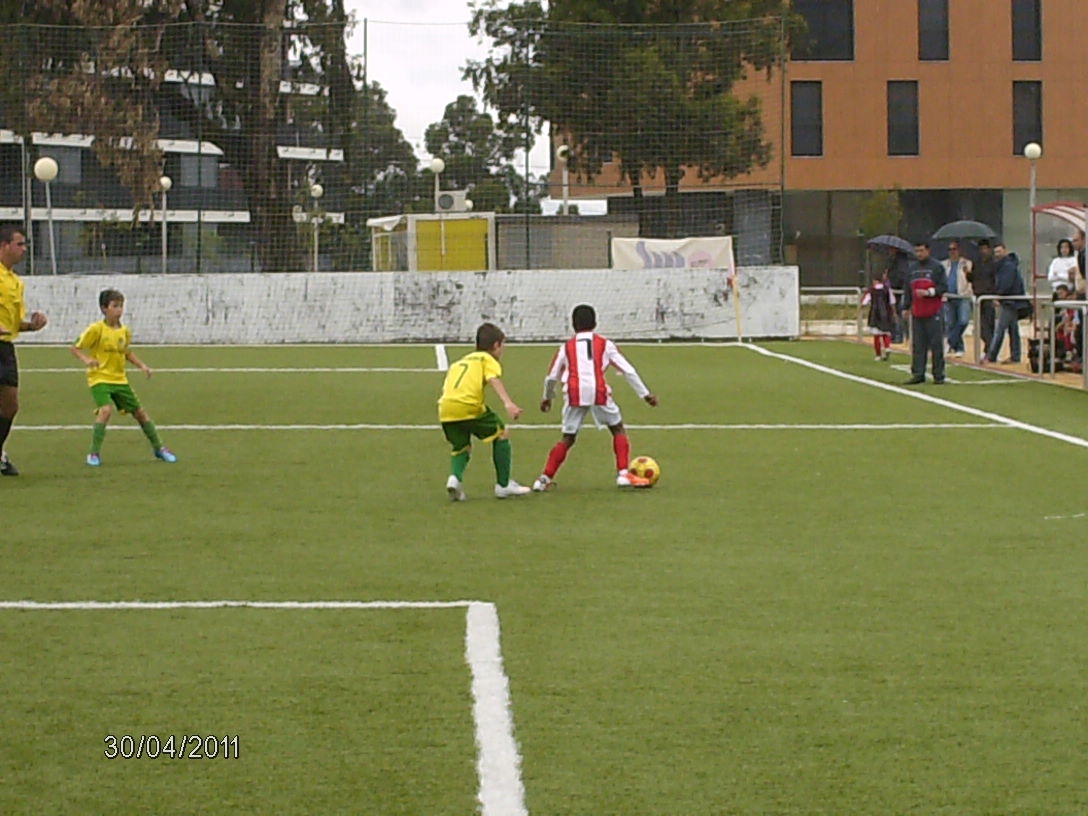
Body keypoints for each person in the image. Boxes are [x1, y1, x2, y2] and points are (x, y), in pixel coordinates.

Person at [531, 304, 658, 491]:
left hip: (574, 392)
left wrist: (547, 397)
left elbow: (552, 376)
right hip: (598, 391)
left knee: (568, 437)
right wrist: (645, 394)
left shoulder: (566, 347)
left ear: (573, 325)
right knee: (617, 428)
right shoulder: (605, 344)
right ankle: (623, 474)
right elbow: (628, 370)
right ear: (595, 323)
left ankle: (543, 480)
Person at [70, 289, 177, 466]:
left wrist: (142, 366)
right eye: (115, 306)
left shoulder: (125, 331)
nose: (119, 310)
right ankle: (94, 453)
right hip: (100, 378)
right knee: (105, 410)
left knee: (140, 413)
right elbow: (75, 348)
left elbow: (126, 352)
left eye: (121, 306)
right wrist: (87, 360)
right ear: (104, 308)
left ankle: (159, 448)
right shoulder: (96, 329)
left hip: (120, 380)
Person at [437, 322, 530, 501]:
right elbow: (493, 379)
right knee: (502, 432)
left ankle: (454, 478)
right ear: (496, 345)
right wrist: (508, 403)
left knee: (461, 446)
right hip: (468, 405)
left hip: (446, 408)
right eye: (502, 345)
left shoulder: (459, 362)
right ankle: (503, 485)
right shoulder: (487, 359)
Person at [0, 225, 48, 476]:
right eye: (19, 244)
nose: (24, 249)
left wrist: (32, 325)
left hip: (5, 348)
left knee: (10, 405)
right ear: (4, 246)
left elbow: (13, 323)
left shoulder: (16, 282)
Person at [900, 241, 948, 384]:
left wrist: (929, 292)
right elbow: (908, 289)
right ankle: (918, 374)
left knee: (936, 345)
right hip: (918, 312)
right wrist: (906, 307)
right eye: (917, 251)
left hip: (934, 312)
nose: (919, 254)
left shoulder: (937, 267)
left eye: (921, 251)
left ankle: (938, 375)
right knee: (918, 345)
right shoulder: (912, 269)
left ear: (928, 250)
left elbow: (943, 287)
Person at [981, 242, 1024, 365]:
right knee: (1013, 329)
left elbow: (1006, 284)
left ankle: (991, 356)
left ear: (1005, 251)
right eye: (995, 252)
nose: (997, 254)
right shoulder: (1003, 265)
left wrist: (998, 296)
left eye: (999, 251)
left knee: (1000, 329)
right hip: (1011, 301)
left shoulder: (1007, 266)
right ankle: (1015, 356)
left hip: (1009, 301)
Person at [941, 241, 973, 358]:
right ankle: (958, 347)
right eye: (950, 249)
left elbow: (971, 279)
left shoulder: (967, 263)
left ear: (959, 250)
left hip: (962, 296)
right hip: (948, 296)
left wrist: (967, 273)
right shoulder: (944, 264)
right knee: (951, 323)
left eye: (954, 249)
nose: (952, 252)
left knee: (963, 321)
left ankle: (951, 341)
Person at [968, 239, 998, 353]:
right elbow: (972, 278)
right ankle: (989, 347)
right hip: (978, 295)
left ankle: (990, 348)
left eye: (985, 248)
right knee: (980, 324)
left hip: (989, 296)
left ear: (989, 249)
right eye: (981, 249)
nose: (983, 251)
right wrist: (968, 274)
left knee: (989, 323)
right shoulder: (976, 262)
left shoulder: (994, 263)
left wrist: (996, 295)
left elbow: (996, 280)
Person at [861, 272, 896, 360]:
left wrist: (861, 307)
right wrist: (894, 313)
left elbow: (865, 301)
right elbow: (892, 302)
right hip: (886, 314)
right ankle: (887, 347)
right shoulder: (887, 289)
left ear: (875, 281)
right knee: (886, 333)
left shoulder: (871, 290)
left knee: (876, 335)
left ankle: (878, 355)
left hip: (875, 314)